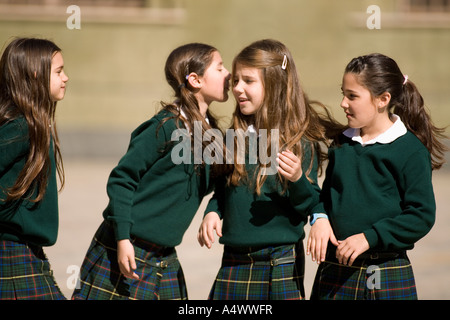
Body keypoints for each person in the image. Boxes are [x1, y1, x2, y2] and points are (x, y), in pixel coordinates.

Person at [72, 43, 230, 300]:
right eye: (220, 67)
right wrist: (123, 239)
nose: (228, 74)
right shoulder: (163, 127)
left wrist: (213, 211)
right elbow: (122, 180)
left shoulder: (213, 135)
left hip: (165, 256)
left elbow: (224, 183)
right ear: (195, 79)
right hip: (124, 248)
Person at [197, 39, 343, 300]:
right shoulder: (235, 134)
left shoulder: (300, 140)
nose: (238, 88)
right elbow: (224, 189)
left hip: (280, 263)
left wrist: (297, 178)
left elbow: (308, 203)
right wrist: (213, 211)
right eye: (236, 80)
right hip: (233, 261)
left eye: (248, 81)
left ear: (275, 85)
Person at [307, 53, 447, 300]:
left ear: (383, 100)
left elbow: (421, 215)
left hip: (387, 273)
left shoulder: (410, 150)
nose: (343, 103)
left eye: (352, 96)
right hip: (334, 272)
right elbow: (326, 195)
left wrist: (369, 238)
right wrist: (319, 217)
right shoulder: (341, 143)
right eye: (343, 93)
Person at [0, 37, 68, 300]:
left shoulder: (34, 124)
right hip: (10, 254)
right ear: (36, 74)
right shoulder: (21, 126)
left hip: (29, 252)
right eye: (59, 71)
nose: (66, 78)